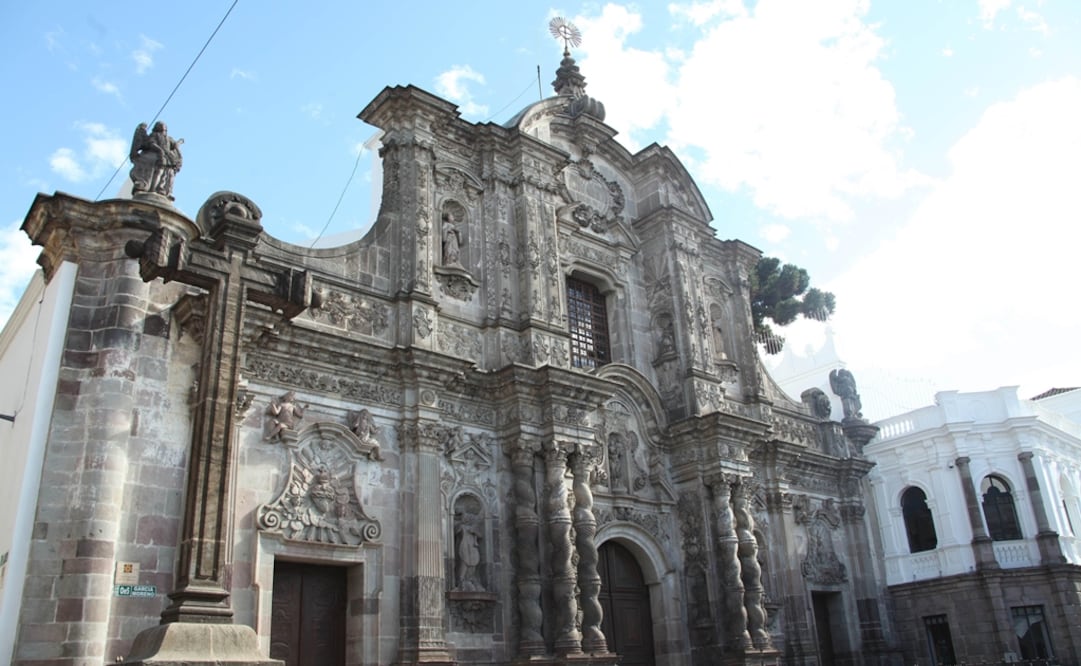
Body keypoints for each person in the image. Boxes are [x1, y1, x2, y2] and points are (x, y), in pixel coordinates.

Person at [129, 121, 183, 200]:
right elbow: (151, 143)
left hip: (167, 157)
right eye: (162, 128)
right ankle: (152, 188)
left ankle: (163, 190)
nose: (164, 130)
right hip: (158, 156)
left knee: (167, 174)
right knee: (159, 172)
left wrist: (180, 143)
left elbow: (175, 145)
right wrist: (160, 151)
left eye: (165, 129)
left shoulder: (168, 138)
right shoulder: (154, 135)